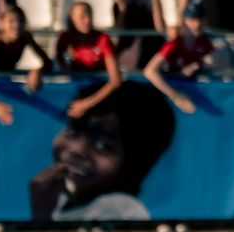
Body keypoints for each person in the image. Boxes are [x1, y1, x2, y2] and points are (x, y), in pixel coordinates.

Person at [28, 80, 176, 223]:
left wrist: (42, 217)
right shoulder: (63, 197)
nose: (77, 150)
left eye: (103, 146)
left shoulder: (118, 211)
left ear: (135, 165)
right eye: (73, 131)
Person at [53, 1, 123, 120]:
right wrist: (66, 64)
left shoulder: (103, 39)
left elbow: (115, 81)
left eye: (89, 15)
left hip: (99, 94)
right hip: (77, 91)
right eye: (82, 17)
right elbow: (60, 57)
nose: (87, 20)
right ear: (73, 19)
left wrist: (86, 104)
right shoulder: (66, 37)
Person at [143, 0, 214, 115]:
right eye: (192, 20)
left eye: (200, 19)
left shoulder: (205, 43)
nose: (197, 24)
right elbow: (149, 71)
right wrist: (175, 96)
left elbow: (215, 70)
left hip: (197, 97)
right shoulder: (175, 43)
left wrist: (197, 66)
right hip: (172, 101)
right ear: (185, 21)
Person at [0, 4, 53, 127]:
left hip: (3, 86)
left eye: (20, 21)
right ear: (1, 23)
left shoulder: (25, 37)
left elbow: (48, 63)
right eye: (11, 21)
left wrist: (37, 71)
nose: (16, 25)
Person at [112, 0, 166, 72]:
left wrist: (156, 1)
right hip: (128, 47)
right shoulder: (120, 1)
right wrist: (122, 10)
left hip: (149, 44)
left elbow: (160, 28)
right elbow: (118, 31)